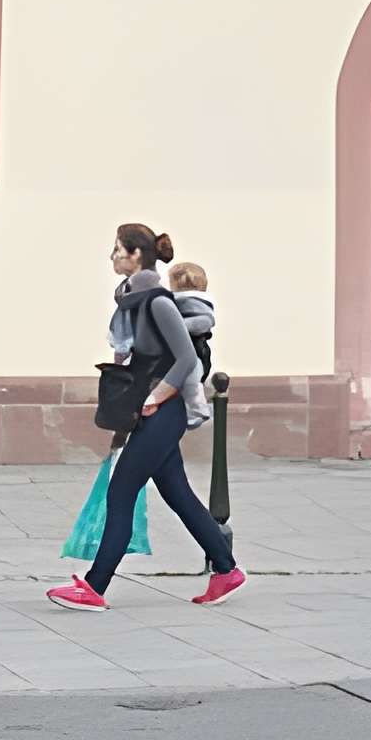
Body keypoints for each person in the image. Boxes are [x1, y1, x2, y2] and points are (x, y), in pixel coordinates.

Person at [46, 223, 243, 610]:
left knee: (121, 492)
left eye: (117, 249)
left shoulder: (157, 302)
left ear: (136, 254)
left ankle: (94, 587)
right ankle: (226, 570)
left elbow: (185, 358)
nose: (112, 256)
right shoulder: (134, 300)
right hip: (152, 411)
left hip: (163, 411)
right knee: (179, 495)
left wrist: (155, 397)